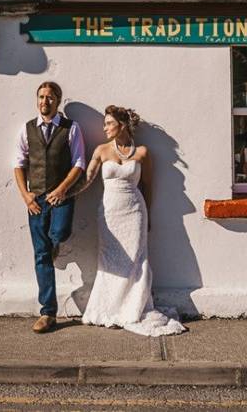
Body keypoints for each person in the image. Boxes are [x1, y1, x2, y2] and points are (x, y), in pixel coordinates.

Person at [81, 105, 186, 336]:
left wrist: (147, 213)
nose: (104, 127)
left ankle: (133, 307)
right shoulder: (101, 150)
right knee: (109, 260)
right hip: (109, 213)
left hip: (135, 212)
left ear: (122, 125)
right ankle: (110, 307)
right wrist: (63, 192)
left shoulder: (142, 153)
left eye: (109, 123)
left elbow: (148, 185)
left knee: (137, 261)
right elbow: (87, 180)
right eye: (104, 123)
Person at [14, 81, 86, 333]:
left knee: (60, 233)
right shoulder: (27, 129)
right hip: (35, 201)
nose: (45, 101)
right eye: (41, 97)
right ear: (37, 100)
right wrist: (26, 196)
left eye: (50, 98)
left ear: (58, 101)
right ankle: (48, 313)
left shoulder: (71, 128)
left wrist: (62, 189)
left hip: (61, 195)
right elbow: (19, 164)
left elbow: (79, 163)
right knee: (41, 255)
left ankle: (55, 245)